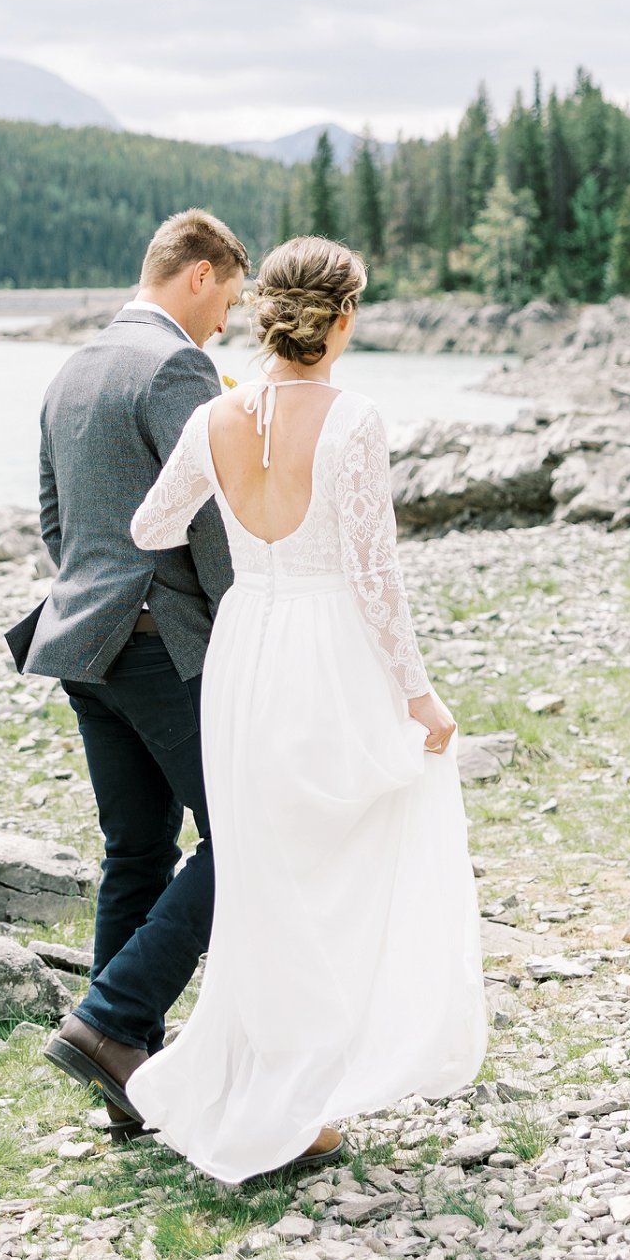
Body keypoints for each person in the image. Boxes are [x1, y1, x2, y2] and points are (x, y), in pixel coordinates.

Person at [122, 235, 487, 1184]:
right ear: (345, 313)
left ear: (266, 312)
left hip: (249, 643)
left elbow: (148, 527)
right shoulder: (356, 418)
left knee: (262, 870)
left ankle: (275, 1086)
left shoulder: (213, 414)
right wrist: (419, 692)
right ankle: (305, 1093)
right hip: (329, 647)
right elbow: (375, 575)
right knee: (346, 852)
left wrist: (230, 493)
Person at [4, 207, 247, 1139]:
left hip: (81, 643)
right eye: (226, 296)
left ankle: (124, 1075)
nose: (225, 319)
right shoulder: (176, 366)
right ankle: (108, 1020)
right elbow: (213, 513)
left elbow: (55, 521)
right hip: (160, 643)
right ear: (196, 274)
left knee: (137, 850)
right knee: (250, 834)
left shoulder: (72, 367)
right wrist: (243, 618)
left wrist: (100, 594)